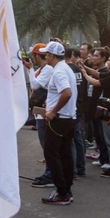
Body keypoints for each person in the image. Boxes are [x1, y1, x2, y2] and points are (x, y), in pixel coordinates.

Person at [37, 41, 77, 205]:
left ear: (52, 56)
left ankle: (62, 192)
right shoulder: (65, 68)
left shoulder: (59, 71)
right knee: (65, 154)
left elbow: (66, 93)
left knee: (52, 154)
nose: (45, 57)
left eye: (47, 54)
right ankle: (66, 189)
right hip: (68, 118)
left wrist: (53, 111)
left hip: (59, 119)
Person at [81, 51, 110, 178]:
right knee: (109, 139)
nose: (108, 62)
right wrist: (84, 68)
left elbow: (96, 82)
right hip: (108, 112)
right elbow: (98, 74)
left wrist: (84, 73)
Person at [23, 43, 54, 188]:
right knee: (45, 144)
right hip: (40, 111)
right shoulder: (42, 69)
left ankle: (51, 174)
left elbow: (35, 85)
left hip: (44, 111)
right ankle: (49, 172)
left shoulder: (47, 69)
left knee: (47, 144)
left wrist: (29, 69)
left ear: (36, 56)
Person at [67, 48, 87, 177]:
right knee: (78, 139)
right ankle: (81, 167)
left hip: (71, 108)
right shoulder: (79, 70)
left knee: (71, 140)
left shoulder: (65, 70)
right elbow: (84, 88)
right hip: (80, 106)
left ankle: (72, 169)